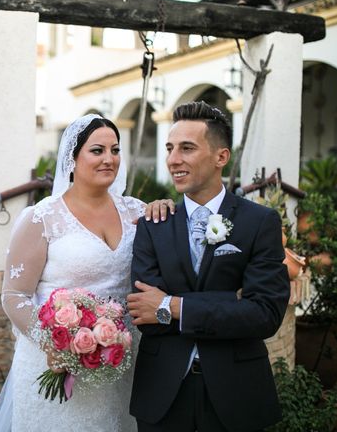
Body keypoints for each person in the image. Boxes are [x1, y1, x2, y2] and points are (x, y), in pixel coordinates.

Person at [0, 114, 173, 432]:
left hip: (125, 358)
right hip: (58, 362)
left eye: (115, 150)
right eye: (97, 150)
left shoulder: (138, 211)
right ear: (72, 159)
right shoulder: (41, 218)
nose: (109, 159)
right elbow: (14, 295)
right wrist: (56, 345)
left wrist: (166, 209)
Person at [127, 101, 290, 432]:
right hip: (162, 395)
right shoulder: (152, 224)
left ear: (221, 157)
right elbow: (145, 314)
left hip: (237, 393)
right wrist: (231, 304)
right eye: (170, 148)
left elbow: (264, 315)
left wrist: (172, 305)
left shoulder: (260, 222)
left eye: (187, 148)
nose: (173, 159)